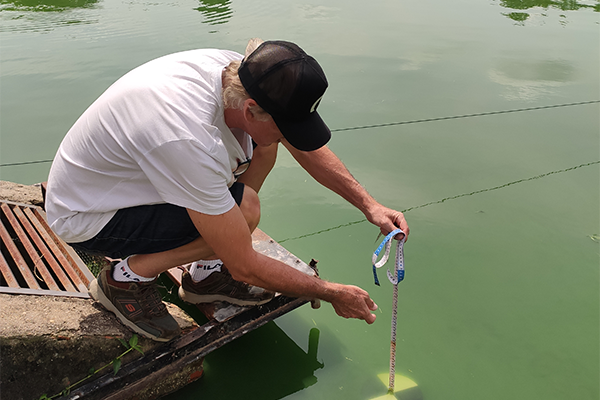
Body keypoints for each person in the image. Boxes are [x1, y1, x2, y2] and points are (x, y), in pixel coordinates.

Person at [45, 39, 410, 342]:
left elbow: (298, 142)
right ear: (251, 110)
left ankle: (203, 277)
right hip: (90, 216)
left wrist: (369, 205)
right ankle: (125, 280)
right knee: (244, 212)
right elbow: (245, 266)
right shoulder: (188, 137)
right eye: (286, 128)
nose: (290, 138)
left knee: (260, 162)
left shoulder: (240, 72)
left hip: (123, 183)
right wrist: (330, 292)